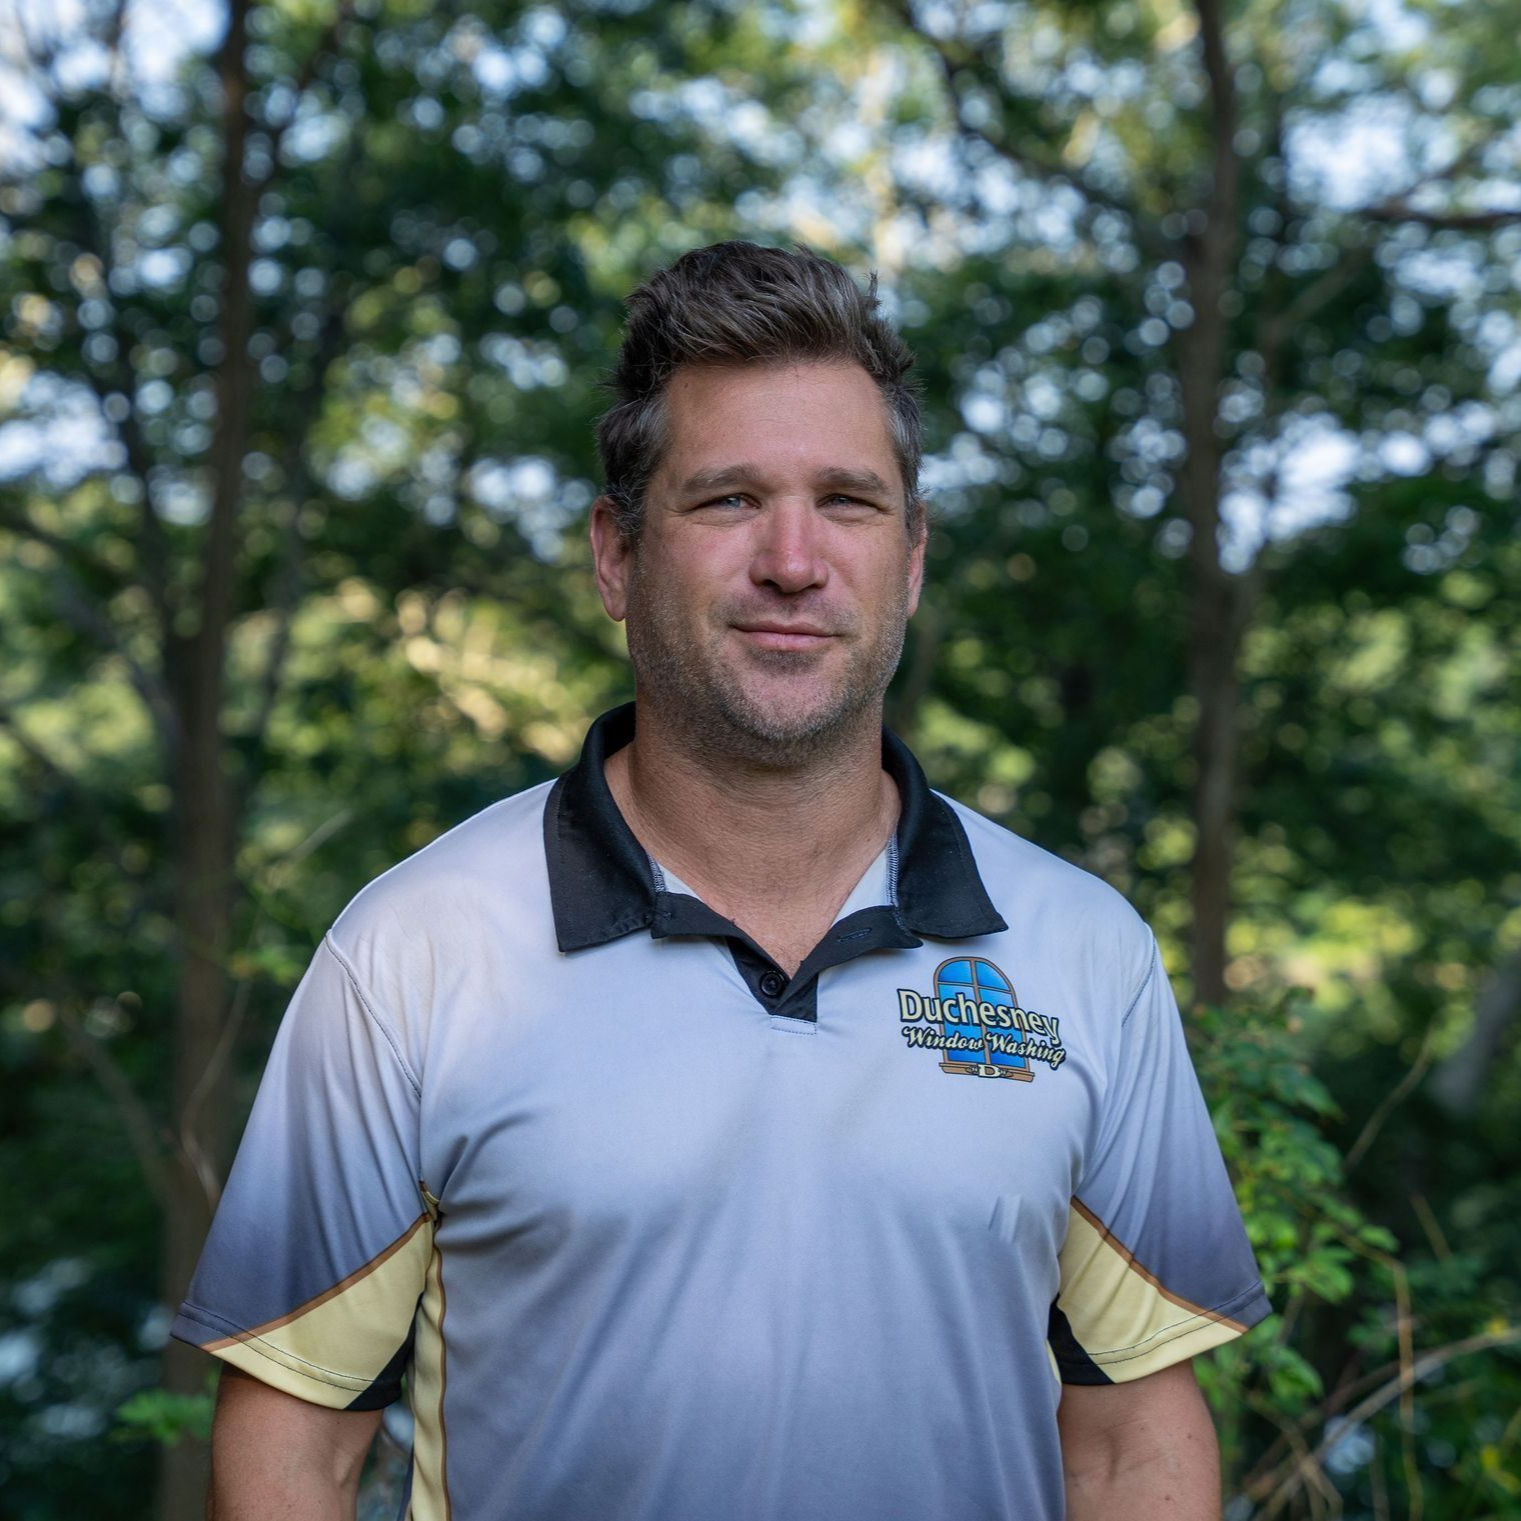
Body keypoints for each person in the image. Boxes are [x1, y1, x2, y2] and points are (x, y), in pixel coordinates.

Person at [176, 241, 1269, 1520]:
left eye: (849, 503)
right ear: (615, 557)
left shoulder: (1084, 953)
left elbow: (1134, 1440)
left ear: (911, 558)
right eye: (729, 500)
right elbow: (295, 1445)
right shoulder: (418, 951)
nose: (794, 562)